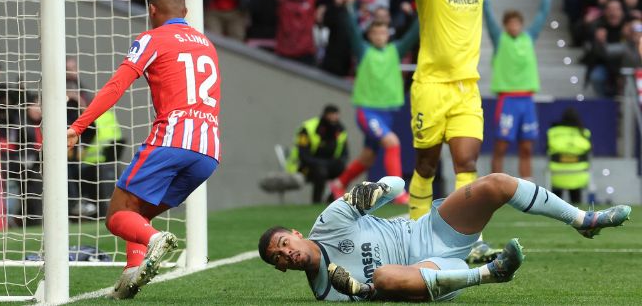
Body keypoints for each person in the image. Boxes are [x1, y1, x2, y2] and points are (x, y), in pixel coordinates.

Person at [389, 0, 579, 225]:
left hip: (466, 90)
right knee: (426, 166)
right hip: (431, 88)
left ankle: (465, 235)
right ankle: (415, 228)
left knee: (467, 163)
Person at [66, 0, 222, 299]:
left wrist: (78, 126)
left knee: (117, 216)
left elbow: (115, 86)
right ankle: (129, 281)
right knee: (138, 213)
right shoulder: (206, 43)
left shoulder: (152, 38)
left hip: (172, 140)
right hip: (208, 150)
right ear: (186, 11)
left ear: (152, 9)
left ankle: (154, 241)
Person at [259, 175, 631, 302]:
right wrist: (366, 292)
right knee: (386, 277)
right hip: (436, 272)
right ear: (281, 269)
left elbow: (398, 185)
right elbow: (391, 294)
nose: (286, 254)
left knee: (495, 184)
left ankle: (583, 219)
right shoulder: (327, 294)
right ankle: (490, 273)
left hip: (430, 230)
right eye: (279, 258)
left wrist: (372, 191)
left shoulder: (330, 221)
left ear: (294, 234)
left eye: (283, 245)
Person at [328, 11, 419, 203]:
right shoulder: (363, 51)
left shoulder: (396, 50)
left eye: (383, 33)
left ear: (388, 34)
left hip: (388, 113)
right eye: (376, 33)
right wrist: (349, 6)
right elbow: (352, 31)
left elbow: (413, 33)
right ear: (370, 36)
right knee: (392, 142)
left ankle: (338, 183)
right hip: (367, 111)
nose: (380, 36)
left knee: (368, 157)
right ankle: (397, 192)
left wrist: (426, 6)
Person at [485, 0, 553, 180]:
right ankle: (495, 185)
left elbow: (542, 13)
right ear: (505, 25)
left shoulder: (529, 37)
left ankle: (528, 187)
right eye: (510, 24)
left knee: (526, 147)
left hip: (527, 100)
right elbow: (487, 14)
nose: (514, 27)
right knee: (501, 145)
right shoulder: (499, 39)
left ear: (521, 25)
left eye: (517, 23)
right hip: (507, 100)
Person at [285, 105, 349, 204]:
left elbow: (344, 154)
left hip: (329, 165)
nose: (333, 118)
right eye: (331, 115)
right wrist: (322, 164)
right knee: (320, 171)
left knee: (345, 171)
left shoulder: (340, 130)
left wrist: (335, 163)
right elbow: (303, 155)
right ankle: (316, 202)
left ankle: (332, 201)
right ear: (325, 115)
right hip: (304, 167)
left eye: (336, 115)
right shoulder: (308, 128)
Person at [546, 108, 592, 203]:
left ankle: (554, 211)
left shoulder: (553, 132)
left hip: (556, 175)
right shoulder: (584, 133)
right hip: (579, 175)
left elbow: (547, 151)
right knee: (576, 204)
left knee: (555, 203)